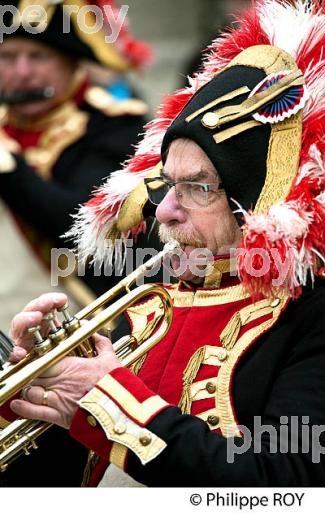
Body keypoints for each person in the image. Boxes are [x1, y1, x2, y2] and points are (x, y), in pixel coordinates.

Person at [2, 0, 325, 486]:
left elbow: (284, 486)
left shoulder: (310, 317)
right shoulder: (151, 308)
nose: (165, 212)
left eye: (198, 187)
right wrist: (39, 400)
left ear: (260, 202)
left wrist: (110, 401)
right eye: (167, 185)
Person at [0, 0, 153, 486]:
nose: (21, 72)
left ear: (71, 63)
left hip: (76, 333)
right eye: (9, 57)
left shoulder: (117, 125)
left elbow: (85, 232)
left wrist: (10, 169)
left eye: (37, 57)